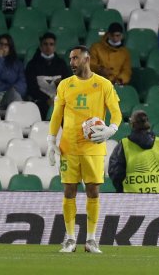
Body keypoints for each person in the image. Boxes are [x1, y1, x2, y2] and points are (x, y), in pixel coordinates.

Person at [47, 45, 122, 253]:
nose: (71, 62)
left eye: (75, 58)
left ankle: (91, 239)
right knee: (69, 191)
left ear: (87, 59)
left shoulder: (103, 84)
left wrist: (111, 129)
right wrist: (51, 140)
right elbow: (56, 115)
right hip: (68, 147)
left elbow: (116, 112)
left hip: (93, 147)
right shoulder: (64, 85)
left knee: (93, 191)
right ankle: (70, 239)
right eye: (70, 58)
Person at [108, 110, 159, 193]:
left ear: (132, 124)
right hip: (157, 198)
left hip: (131, 199)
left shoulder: (124, 145)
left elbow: (115, 173)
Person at [25, 32, 70, 120]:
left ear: (55, 47)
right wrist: (47, 100)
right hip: (40, 102)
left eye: (51, 44)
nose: (48, 47)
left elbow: (68, 86)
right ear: (41, 46)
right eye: (45, 44)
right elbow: (31, 87)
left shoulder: (62, 64)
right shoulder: (32, 65)